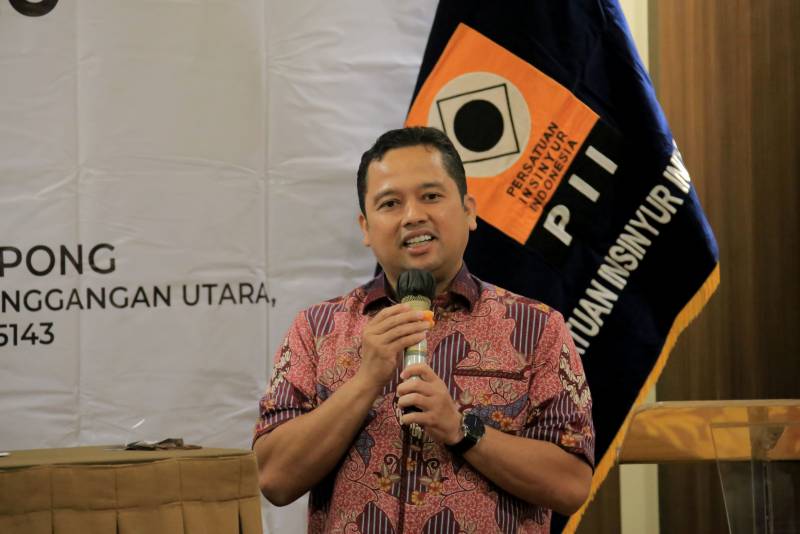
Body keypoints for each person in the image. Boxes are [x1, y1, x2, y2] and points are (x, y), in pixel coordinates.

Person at [253, 126, 594, 533]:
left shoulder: (537, 328)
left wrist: (461, 429)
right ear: (365, 227)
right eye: (390, 203)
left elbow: (571, 485)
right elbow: (274, 479)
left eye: (431, 196)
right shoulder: (316, 329)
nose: (413, 216)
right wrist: (365, 381)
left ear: (469, 210)